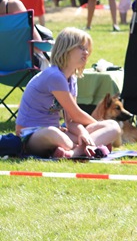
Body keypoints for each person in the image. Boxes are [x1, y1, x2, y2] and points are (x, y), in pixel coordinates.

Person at [15, 27, 121, 159]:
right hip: (30, 135)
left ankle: (75, 151)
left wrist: (84, 132)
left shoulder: (72, 78)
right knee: (54, 133)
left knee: (113, 126)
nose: (86, 52)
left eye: (87, 49)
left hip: (58, 131)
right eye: (81, 48)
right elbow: (76, 114)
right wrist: (94, 129)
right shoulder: (55, 76)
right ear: (66, 49)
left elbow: (70, 120)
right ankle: (84, 148)